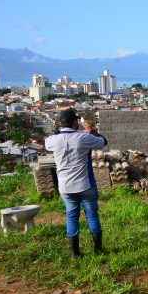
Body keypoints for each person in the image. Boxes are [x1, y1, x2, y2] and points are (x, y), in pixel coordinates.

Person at [44, 108, 108, 258]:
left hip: (65, 187)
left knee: (71, 216)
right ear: (74, 122)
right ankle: (98, 250)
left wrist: (56, 131)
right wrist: (93, 132)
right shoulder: (83, 138)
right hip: (85, 184)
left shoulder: (53, 140)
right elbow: (103, 142)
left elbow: (47, 142)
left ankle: (75, 253)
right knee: (92, 215)